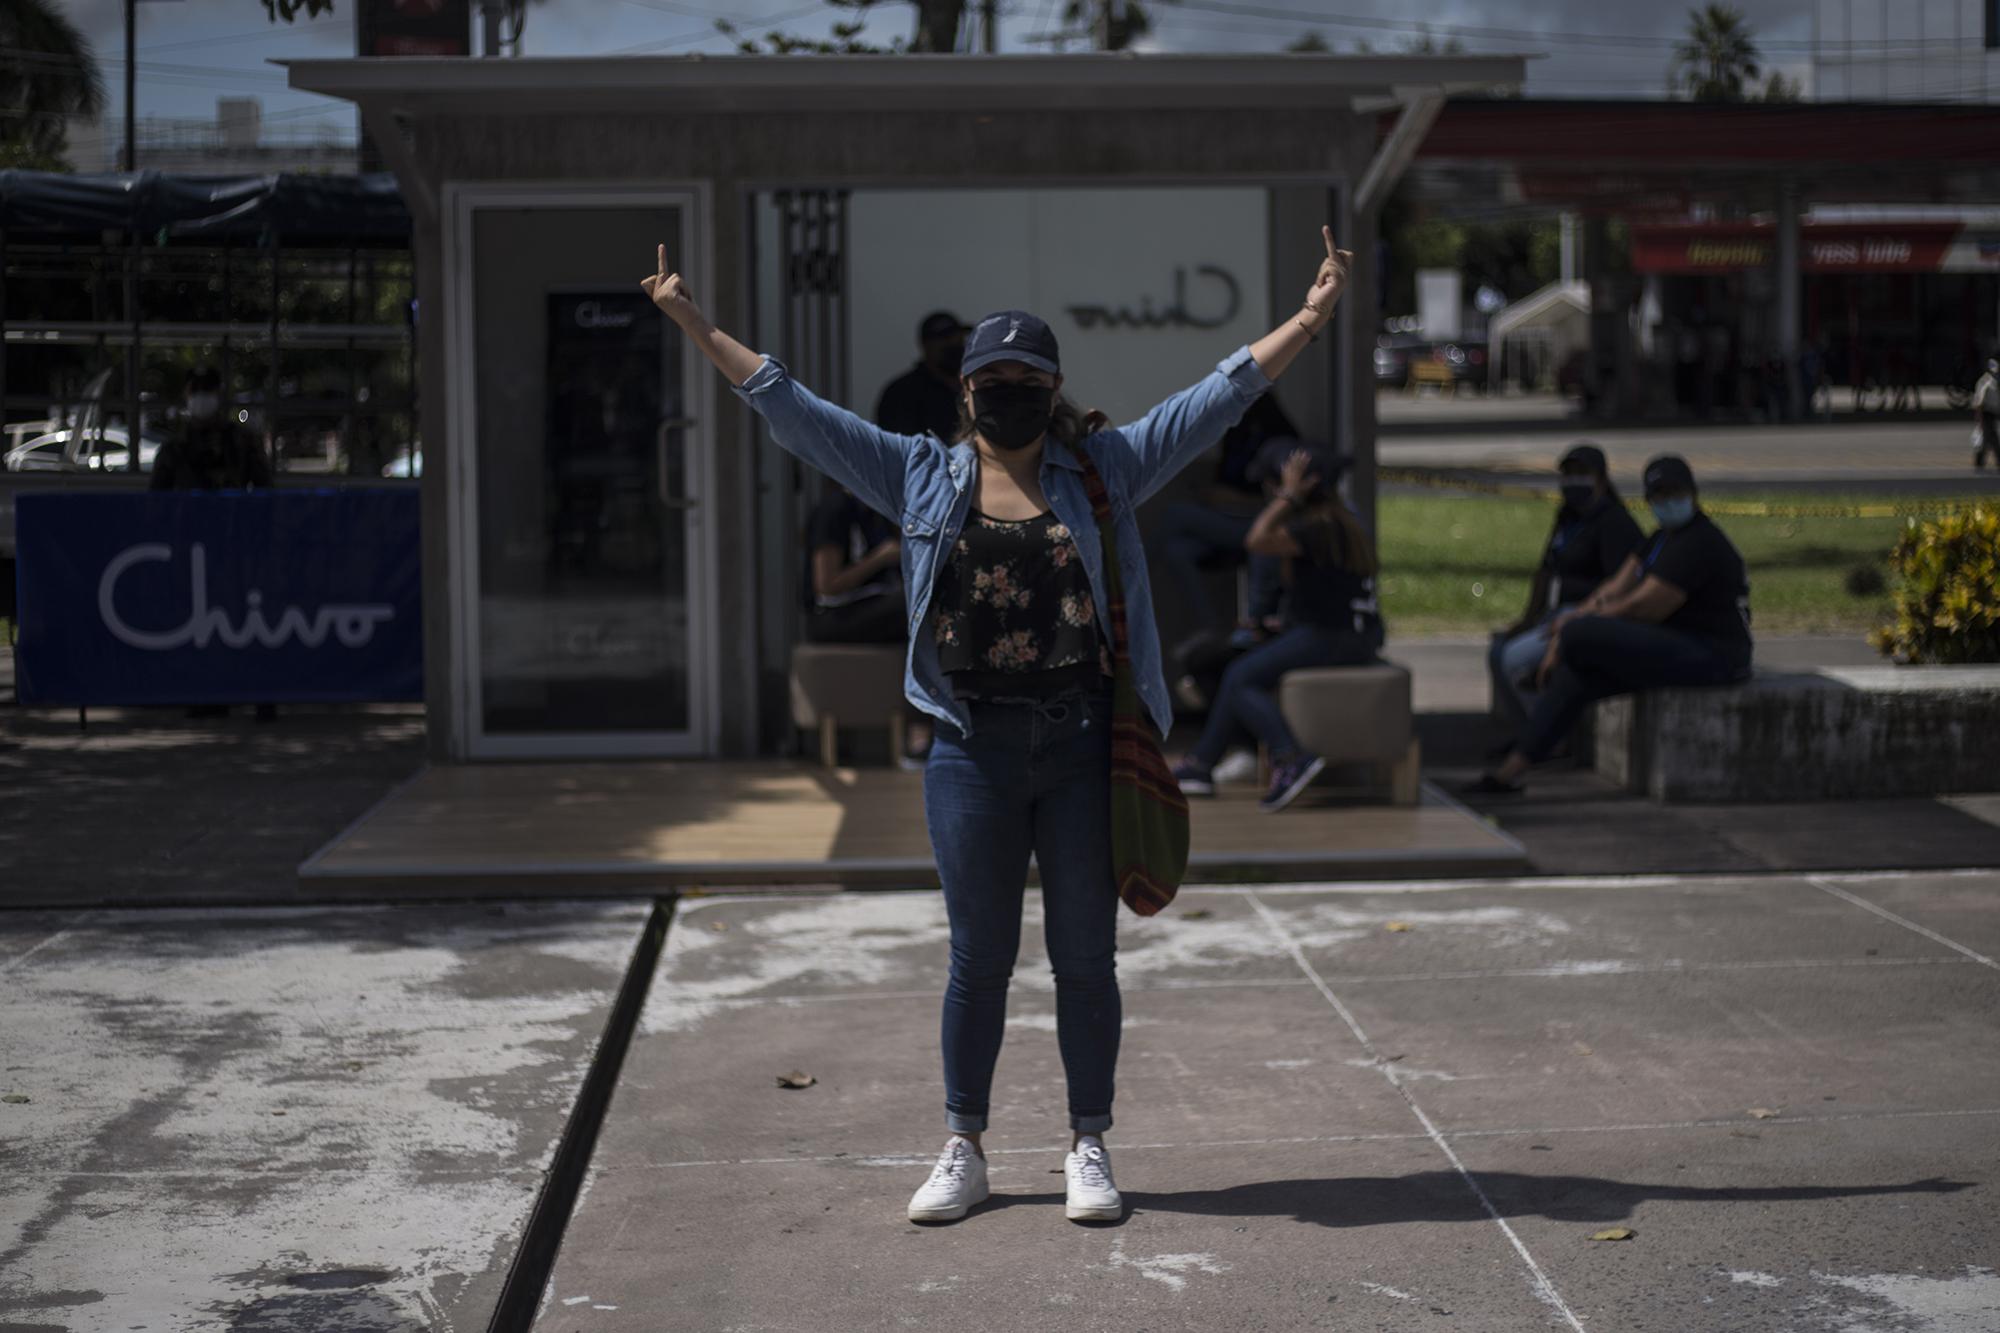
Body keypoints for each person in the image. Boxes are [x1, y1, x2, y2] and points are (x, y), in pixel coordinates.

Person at [643, 226, 1352, 1226]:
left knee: (1083, 958)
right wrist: (691, 319)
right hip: (968, 750)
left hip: (1077, 747)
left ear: (1051, 387)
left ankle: (1087, 1142)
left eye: (1027, 376)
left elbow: (1217, 397)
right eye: (993, 377)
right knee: (977, 958)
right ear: (965, 390)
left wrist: (1312, 317)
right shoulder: (917, 475)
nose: (1008, 391)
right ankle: (963, 1144)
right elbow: (788, 407)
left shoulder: (1104, 469)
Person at [1470, 454, 1752, 795]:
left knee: (1579, 636)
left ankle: (1524, 754)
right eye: (1659, 495)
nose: (1668, 502)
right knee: (1579, 672)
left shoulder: (1699, 541)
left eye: (1675, 492)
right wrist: (1575, 616)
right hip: (1676, 643)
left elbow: (1644, 606)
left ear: (1692, 492)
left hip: (1715, 656)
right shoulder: (1659, 539)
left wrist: (1572, 630)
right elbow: (1615, 588)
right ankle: (1511, 772)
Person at [1169, 440, 1384, 812]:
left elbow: (1256, 540)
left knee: (1240, 675)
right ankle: (1200, 765)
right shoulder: (1341, 518)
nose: (1269, 493)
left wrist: (1288, 495)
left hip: (1332, 635)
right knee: (1236, 665)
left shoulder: (1314, 525)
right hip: (1350, 633)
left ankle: (1289, 758)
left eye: (1273, 484)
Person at [1487, 443, 1644, 737]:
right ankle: (1529, 734)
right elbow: (1545, 571)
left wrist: (1573, 623)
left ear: (1600, 478)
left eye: (1582, 474)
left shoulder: (1613, 523)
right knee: (1498, 651)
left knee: (1514, 660)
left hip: (1583, 615)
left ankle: (1548, 737)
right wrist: (1527, 618)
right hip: (1553, 613)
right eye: (1568, 474)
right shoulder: (1567, 518)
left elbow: (1618, 588)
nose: (1573, 481)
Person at [802, 482, 904, 644]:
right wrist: (880, 558)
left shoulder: (876, 512)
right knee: (907, 607)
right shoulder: (834, 509)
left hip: (871, 601)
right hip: (834, 614)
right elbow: (827, 586)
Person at [149, 366, 272, 492]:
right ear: (186, 395)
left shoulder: (242, 441)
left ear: (218, 393)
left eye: (207, 389)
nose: (201, 395)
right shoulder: (173, 448)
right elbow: (156, 498)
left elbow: (265, 490)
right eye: (195, 389)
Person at [875, 310, 969, 442]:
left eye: (958, 338)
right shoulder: (902, 394)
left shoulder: (974, 386)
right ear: (925, 345)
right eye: (945, 339)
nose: (954, 344)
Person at [1973, 357, 1999, 470]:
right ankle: (1996, 459)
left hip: (1992, 413)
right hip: (1986, 413)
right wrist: (1979, 417)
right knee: (1991, 437)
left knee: (1987, 438)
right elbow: (1979, 401)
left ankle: (1980, 460)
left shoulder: (1994, 381)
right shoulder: (1985, 381)